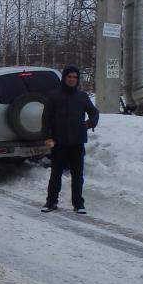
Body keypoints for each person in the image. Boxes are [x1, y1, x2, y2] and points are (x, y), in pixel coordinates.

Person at [40, 65, 99, 214]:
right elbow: (46, 118)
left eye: (75, 77)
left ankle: (78, 204)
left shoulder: (82, 97)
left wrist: (89, 123)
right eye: (69, 77)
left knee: (77, 175)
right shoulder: (54, 96)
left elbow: (94, 113)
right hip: (58, 142)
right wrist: (47, 137)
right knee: (56, 174)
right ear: (64, 78)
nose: (72, 79)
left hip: (77, 142)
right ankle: (51, 202)